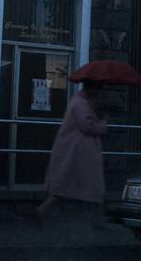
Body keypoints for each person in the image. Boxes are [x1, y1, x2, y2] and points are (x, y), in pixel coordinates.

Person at [37, 79, 108, 227]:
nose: (98, 92)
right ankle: (98, 221)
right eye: (97, 89)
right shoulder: (81, 104)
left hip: (78, 151)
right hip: (80, 152)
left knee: (65, 184)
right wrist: (103, 123)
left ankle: (44, 209)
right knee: (95, 185)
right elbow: (88, 127)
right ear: (92, 88)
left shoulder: (79, 101)